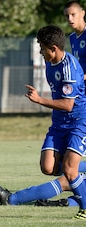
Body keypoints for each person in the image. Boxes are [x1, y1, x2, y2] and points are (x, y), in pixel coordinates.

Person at [10, 25, 86, 220]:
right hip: (59, 123)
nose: (40, 52)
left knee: (69, 170)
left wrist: (40, 100)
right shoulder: (50, 63)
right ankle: (78, 173)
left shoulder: (70, 68)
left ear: (53, 48)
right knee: (48, 167)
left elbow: (69, 105)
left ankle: (84, 206)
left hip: (79, 122)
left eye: (42, 48)